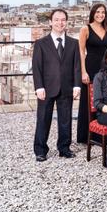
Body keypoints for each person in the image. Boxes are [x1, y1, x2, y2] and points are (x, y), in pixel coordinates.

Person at [32, 9, 81, 161]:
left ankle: (64, 148)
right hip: (46, 88)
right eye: (57, 20)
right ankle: (40, 150)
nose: (60, 23)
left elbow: (77, 66)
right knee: (43, 119)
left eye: (63, 20)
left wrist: (77, 86)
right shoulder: (41, 43)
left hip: (67, 87)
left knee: (65, 119)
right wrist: (38, 87)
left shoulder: (74, 43)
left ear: (66, 22)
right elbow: (37, 67)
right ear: (50, 22)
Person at [77, 2, 107, 144]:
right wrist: (83, 72)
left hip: (106, 68)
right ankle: (86, 135)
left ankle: (104, 133)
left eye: (103, 12)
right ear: (93, 13)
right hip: (90, 67)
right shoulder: (85, 29)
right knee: (89, 100)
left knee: (106, 98)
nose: (100, 15)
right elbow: (81, 51)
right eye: (98, 12)